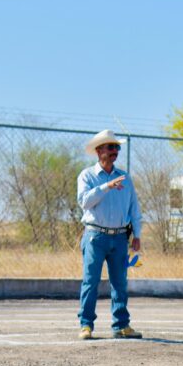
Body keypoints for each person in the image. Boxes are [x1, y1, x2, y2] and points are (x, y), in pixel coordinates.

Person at [76, 130, 143, 340]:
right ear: (99, 151)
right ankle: (86, 325)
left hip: (120, 237)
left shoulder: (125, 178)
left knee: (120, 282)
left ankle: (121, 325)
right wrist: (106, 187)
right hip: (95, 236)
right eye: (111, 147)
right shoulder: (87, 176)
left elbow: (134, 207)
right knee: (90, 281)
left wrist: (137, 234)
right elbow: (84, 202)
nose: (115, 151)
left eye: (117, 147)